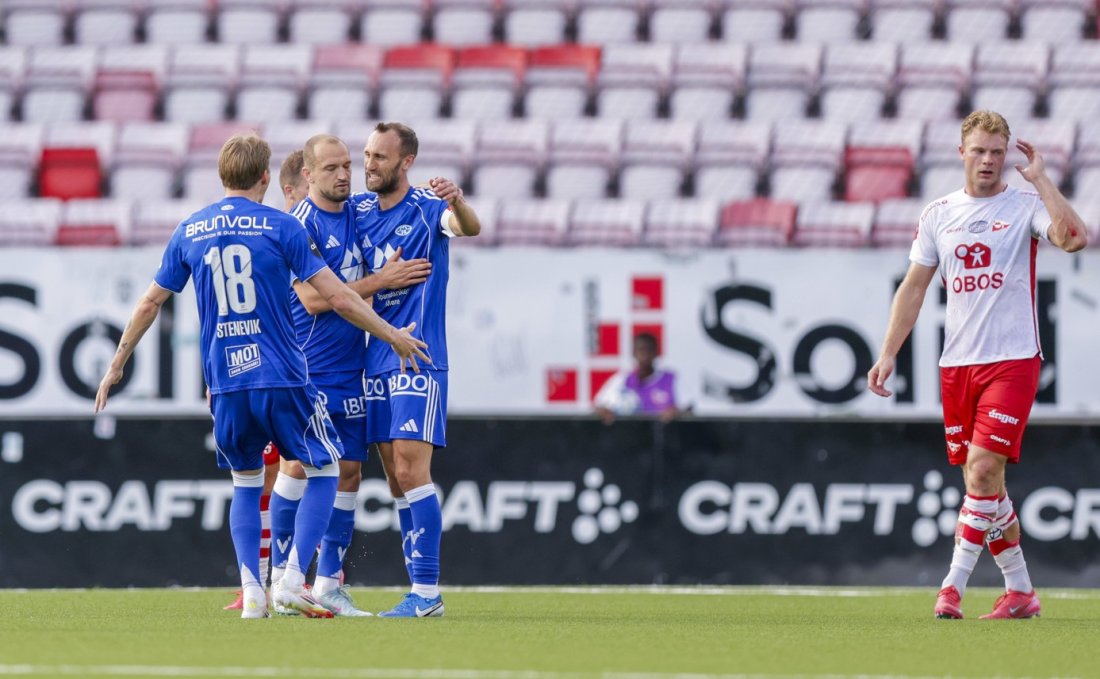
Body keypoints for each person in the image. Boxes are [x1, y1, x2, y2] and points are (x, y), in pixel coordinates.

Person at [94, 132, 429, 619]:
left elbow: (151, 301)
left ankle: (253, 592)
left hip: (225, 383)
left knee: (246, 483)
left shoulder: (191, 229)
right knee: (325, 469)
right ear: (268, 177)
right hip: (282, 375)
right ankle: (293, 578)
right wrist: (392, 335)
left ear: (221, 175)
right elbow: (336, 297)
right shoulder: (282, 226)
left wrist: (116, 363)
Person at [867, 110, 1087, 620]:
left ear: (1007, 156)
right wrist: (888, 352)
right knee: (988, 487)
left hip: (1012, 361)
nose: (989, 160)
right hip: (957, 365)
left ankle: (952, 587)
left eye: (998, 152)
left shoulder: (1025, 205)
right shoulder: (938, 214)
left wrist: (1042, 179)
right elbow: (915, 287)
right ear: (961, 152)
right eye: (980, 150)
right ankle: (1021, 592)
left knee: (982, 469)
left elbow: (1075, 238)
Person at [266, 133, 432, 617]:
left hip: (351, 368)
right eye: (332, 168)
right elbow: (316, 299)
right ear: (308, 176)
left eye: (347, 166)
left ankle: (326, 584)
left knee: (349, 473)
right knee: (300, 466)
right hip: (310, 366)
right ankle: (282, 577)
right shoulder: (301, 224)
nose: (344, 174)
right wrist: (380, 282)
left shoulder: (356, 216)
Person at [357, 121, 481, 617]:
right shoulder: (357, 213)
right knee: (394, 479)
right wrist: (378, 280)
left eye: (380, 157)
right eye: (366, 155)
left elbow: (469, 228)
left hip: (418, 358)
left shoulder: (430, 211)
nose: (369, 164)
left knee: (412, 468)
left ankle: (428, 593)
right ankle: (418, 589)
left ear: (406, 162)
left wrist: (461, 202)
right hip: (375, 357)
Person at [223, 150, 312, 611]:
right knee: (272, 475)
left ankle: (284, 578)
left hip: (289, 368)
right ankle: (263, 580)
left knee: (294, 473)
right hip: (271, 369)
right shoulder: (279, 229)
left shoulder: (291, 229)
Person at [594, 332, 681, 425]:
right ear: (634, 353)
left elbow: (689, 407)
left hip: (661, 436)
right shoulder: (622, 380)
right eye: (641, 350)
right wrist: (604, 412)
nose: (645, 355)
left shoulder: (670, 379)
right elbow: (599, 405)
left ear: (656, 353)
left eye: (649, 350)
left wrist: (675, 411)